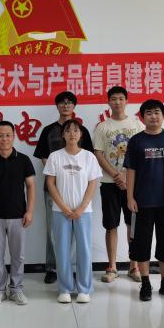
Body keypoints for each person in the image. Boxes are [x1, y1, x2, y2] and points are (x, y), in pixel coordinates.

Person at [125, 99, 164, 302]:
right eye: (149, 113)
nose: (153, 116)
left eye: (157, 112)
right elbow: (131, 171)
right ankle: (145, 283)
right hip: (143, 202)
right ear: (142, 117)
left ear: (163, 115)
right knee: (141, 244)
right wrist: (130, 197)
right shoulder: (136, 141)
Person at [33, 90, 94, 284]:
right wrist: (57, 174)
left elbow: (88, 159)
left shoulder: (82, 130)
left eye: (69, 102)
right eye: (62, 102)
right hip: (53, 187)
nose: (65, 105)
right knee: (54, 230)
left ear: (74, 106)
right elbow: (43, 156)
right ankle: (53, 268)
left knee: (77, 231)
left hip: (78, 189)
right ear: (57, 106)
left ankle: (72, 268)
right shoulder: (48, 130)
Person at [44, 119, 102, 304]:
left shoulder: (89, 157)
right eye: (68, 131)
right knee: (62, 250)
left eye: (76, 130)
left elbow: (93, 183)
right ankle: (65, 288)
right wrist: (63, 207)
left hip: (83, 212)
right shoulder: (55, 156)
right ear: (63, 134)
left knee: (84, 249)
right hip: (60, 211)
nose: (72, 134)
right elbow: (50, 183)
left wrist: (81, 208)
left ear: (81, 134)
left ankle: (84, 288)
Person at [0, 121, 36, 306]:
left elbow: (31, 186)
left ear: (14, 137)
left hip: (18, 215)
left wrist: (30, 211)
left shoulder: (23, 160)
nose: (4, 139)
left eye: (8, 135)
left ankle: (16, 288)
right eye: (0, 135)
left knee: (18, 256)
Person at [93, 86, 144, 284]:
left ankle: (134, 266)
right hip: (109, 183)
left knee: (133, 225)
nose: (117, 102)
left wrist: (126, 175)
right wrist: (116, 174)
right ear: (108, 102)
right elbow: (98, 154)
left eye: (121, 98)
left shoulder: (137, 124)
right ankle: (112, 267)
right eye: (113, 99)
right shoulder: (102, 127)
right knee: (111, 225)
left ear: (127, 101)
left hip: (133, 184)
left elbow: (141, 153)